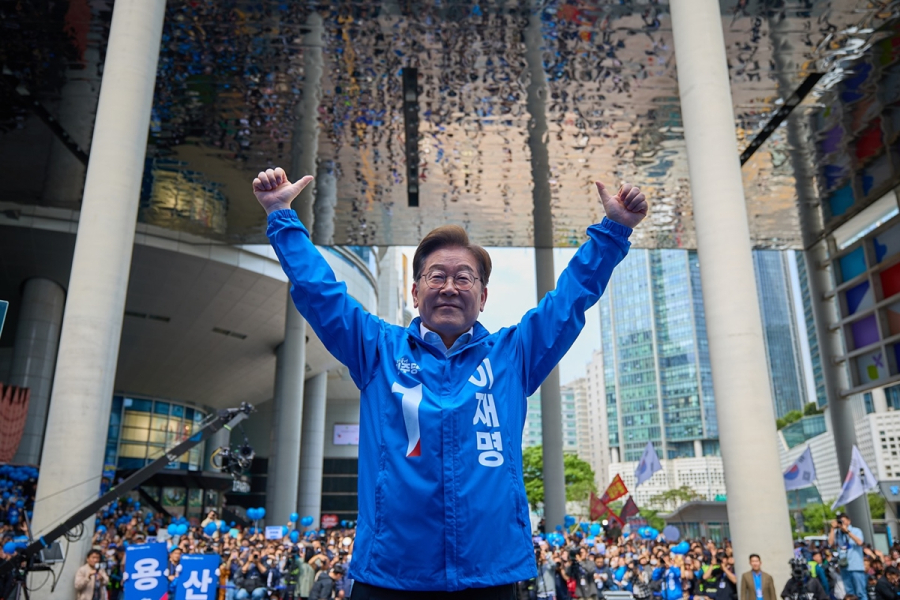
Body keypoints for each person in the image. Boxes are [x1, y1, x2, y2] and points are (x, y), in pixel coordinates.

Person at [253, 165, 645, 600]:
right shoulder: (377, 350)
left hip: (490, 577)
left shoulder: (514, 355)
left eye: (464, 278)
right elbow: (320, 293)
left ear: (483, 295)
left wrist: (613, 231)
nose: (450, 287)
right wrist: (280, 215)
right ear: (416, 292)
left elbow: (570, 299)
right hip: (389, 575)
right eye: (436, 276)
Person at [829, 512, 867, 599]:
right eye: (840, 521)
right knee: (849, 593)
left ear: (849, 521)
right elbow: (830, 543)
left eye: (843, 521)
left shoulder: (856, 531)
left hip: (856, 566)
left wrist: (847, 532)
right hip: (844, 567)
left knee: (860, 592)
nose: (841, 523)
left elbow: (860, 542)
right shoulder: (837, 533)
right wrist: (832, 528)